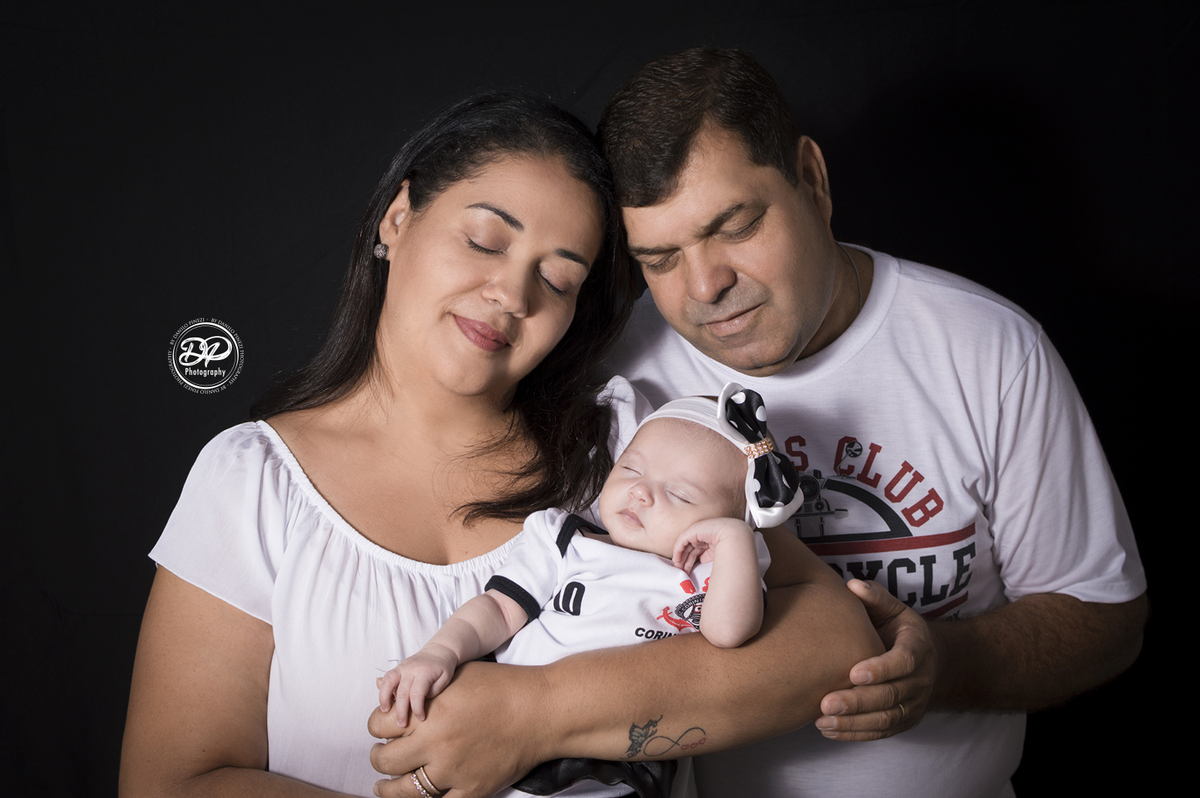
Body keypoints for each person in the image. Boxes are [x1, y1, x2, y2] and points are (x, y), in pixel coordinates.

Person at [120, 91, 881, 798]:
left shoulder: (624, 449)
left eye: (558, 280)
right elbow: (169, 784)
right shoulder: (253, 481)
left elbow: (834, 640)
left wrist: (533, 711)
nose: (512, 296)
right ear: (398, 218)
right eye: (485, 241)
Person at [596, 48, 1148, 797]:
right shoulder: (615, 376)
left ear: (812, 179)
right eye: (660, 259)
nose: (705, 285)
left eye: (737, 225)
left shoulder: (988, 349)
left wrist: (941, 665)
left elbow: (1104, 620)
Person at [377, 385, 805, 798]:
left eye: (679, 494)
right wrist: (441, 652)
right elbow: (498, 609)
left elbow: (729, 633)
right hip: (495, 731)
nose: (640, 491)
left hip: (621, 764)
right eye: (631, 469)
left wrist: (734, 541)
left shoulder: (712, 572)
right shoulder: (566, 541)